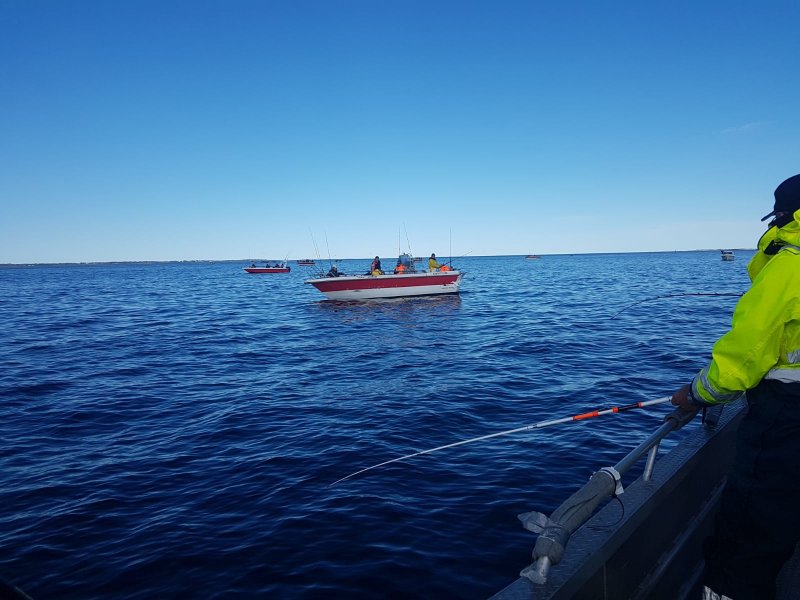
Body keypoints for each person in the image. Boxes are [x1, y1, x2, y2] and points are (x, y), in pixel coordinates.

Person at [671, 174, 800, 600]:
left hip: (786, 416)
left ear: (784, 216)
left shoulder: (789, 266)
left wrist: (695, 394)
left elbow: (740, 363)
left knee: (749, 534)